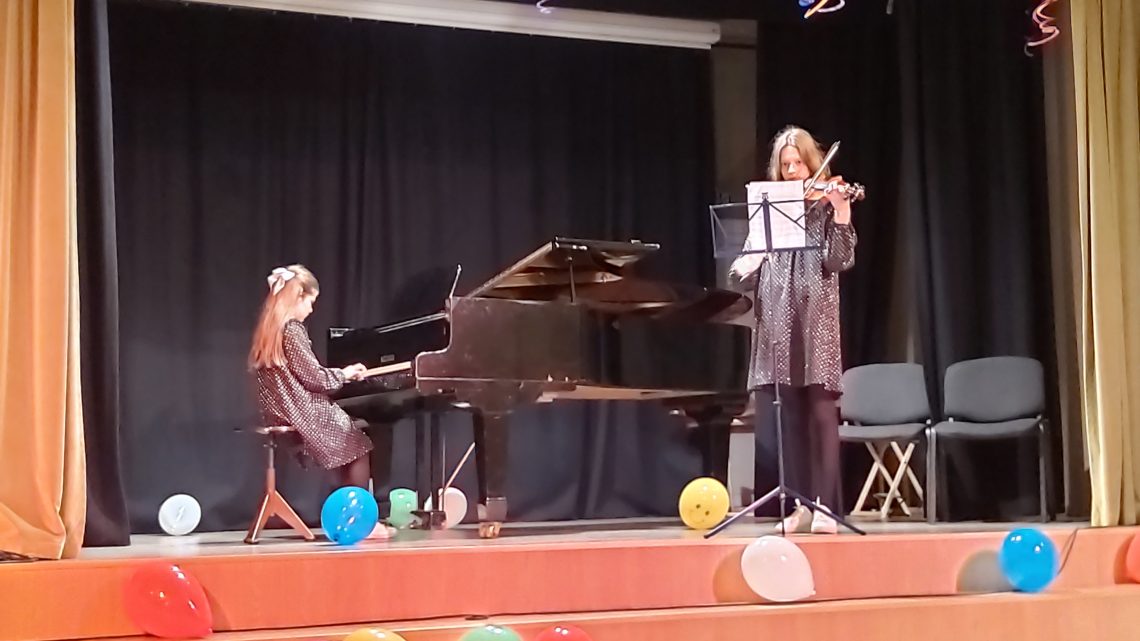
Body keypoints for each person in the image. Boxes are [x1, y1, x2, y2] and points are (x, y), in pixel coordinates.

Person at [729, 125, 857, 534]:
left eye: (799, 163)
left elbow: (839, 261)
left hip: (816, 319)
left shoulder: (825, 207)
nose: (793, 171)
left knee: (821, 415)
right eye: (785, 165)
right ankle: (801, 504)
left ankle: (827, 507)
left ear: (812, 163)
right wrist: (753, 258)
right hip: (777, 322)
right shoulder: (771, 212)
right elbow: (739, 276)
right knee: (789, 421)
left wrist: (842, 212)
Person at [248, 264, 373, 488]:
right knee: (358, 446)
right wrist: (345, 373)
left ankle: (344, 506)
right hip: (301, 410)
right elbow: (315, 378)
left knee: (347, 448)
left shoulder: (269, 329)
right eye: (310, 302)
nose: (311, 310)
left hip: (278, 412)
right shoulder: (292, 328)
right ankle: (359, 511)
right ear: (298, 296)